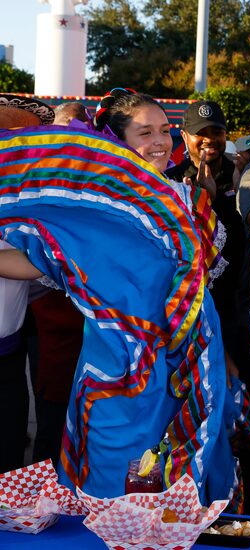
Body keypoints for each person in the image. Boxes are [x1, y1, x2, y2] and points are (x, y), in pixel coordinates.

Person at [0, 92, 250, 504]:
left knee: (181, 490)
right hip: (117, 377)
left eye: (165, 131)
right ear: (115, 144)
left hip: (188, 369)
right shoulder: (94, 210)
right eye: (145, 132)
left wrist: (222, 362)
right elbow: (35, 260)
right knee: (113, 489)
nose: (160, 142)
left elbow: (206, 293)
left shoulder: (194, 204)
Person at [166, 100, 247, 373]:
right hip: (193, 307)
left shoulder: (246, 173)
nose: (209, 140)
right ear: (185, 135)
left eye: (217, 132)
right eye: (201, 133)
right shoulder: (170, 181)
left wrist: (219, 200)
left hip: (239, 305)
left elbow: (245, 236)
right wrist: (202, 202)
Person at [0, 94, 53, 474]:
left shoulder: (36, 199)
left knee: (8, 461)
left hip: (8, 358)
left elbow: (36, 268)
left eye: (27, 140)